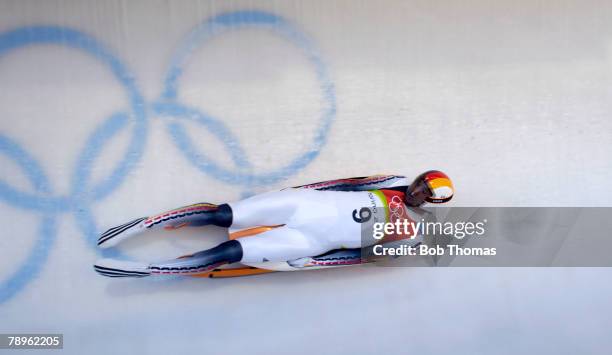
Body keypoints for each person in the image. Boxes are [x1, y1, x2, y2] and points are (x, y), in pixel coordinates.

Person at [94, 171, 454, 278]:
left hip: (308, 240)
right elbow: (345, 183)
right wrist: (299, 190)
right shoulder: (391, 181)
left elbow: (360, 257)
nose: (416, 191)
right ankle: (145, 225)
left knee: (231, 251)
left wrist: (313, 263)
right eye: (420, 184)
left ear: (430, 203)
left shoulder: (412, 235)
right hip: (304, 203)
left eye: (424, 193)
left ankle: (153, 268)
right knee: (223, 215)